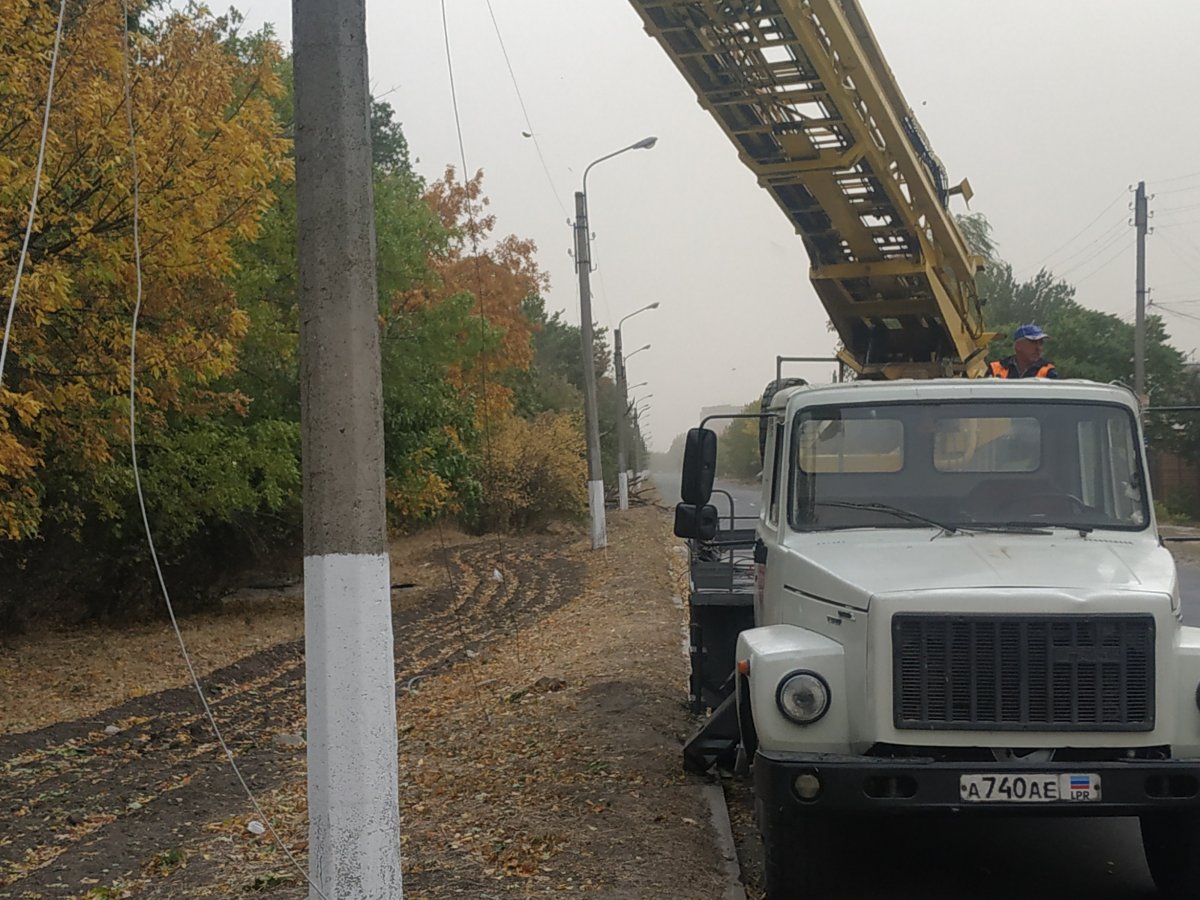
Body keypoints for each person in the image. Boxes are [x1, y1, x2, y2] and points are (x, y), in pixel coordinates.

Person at [988, 323, 1058, 378]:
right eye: (1033, 342)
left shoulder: (1048, 371)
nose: (1038, 348)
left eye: (1041, 343)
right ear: (1018, 346)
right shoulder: (995, 369)